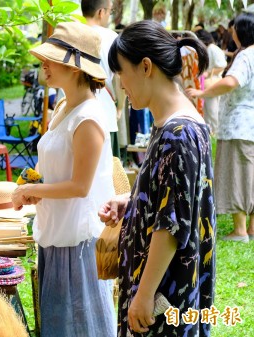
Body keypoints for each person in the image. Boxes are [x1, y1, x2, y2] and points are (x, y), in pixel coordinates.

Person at [100, 20, 215, 337]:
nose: (121, 83)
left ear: (146, 67)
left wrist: (144, 294)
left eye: (122, 71)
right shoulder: (180, 122)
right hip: (172, 289)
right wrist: (132, 201)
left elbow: (171, 226)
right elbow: (176, 199)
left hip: (164, 296)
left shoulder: (176, 135)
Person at [11, 21, 116, 337]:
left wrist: (32, 189)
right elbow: (58, 169)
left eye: (52, 58)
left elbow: (80, 186)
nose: (43, 63)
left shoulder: (88, 117)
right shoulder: (63, 106)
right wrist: (31, 188)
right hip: (55, 234)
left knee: (82, 328)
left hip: (78, 244)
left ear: (75, 68)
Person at [187, 13, 254, 243]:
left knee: (238, 174)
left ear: (241, 31)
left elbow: (231, 82)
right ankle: (252, 227)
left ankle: (240, 230)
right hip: (250, 126)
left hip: (240, 126)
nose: (231, 33)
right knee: (251, 175)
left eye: (234, 29)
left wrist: (202, 93)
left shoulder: (246, 55)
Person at [82, 0, 126, 158]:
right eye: (110, 11)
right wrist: (120, 107)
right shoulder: (111, 38)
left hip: (70, 109)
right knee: (108, 173)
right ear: (101, 12)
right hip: (104, 111)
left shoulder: (70, 33)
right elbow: (121, 77)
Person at [195, 29, 227, 135]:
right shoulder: (209, 48)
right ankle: (210, 133)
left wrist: (209, 73)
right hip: (208, 82)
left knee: (213, 110)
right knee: (208, 110)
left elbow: (222, 65)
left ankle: (215, 132)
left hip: (212, 82)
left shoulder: (213, 49)